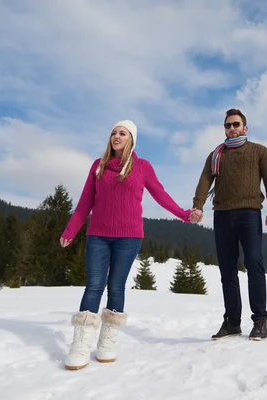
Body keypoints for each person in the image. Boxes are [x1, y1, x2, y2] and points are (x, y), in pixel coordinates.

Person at [60, 119, 193, 370]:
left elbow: (161, 195)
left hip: (129, 237)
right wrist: (70, 230)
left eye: (122, 133)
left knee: (116, 287)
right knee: (93, 286)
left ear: (131, 139)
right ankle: (80, 346)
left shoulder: (142, 167)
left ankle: (107, 343)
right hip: (97, 235)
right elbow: (85, 202)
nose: (116, 137)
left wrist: (184, 214)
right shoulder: (97, 167)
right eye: (113, 133)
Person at [189, 108, 267, 341]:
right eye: (227, 125)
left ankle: (260, 320)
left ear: (245, 128)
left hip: (250, 214)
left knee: (254, 264)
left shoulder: (260, 152)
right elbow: (204, 180)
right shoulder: (216, 155)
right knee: (227, 270)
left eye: (236, 124)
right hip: (221, 215)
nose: (231, 129)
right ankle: (232, 322)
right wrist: (198, 205)